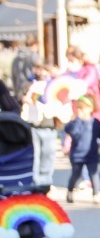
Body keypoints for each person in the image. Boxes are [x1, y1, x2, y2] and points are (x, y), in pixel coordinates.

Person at [21, 59, 59, 187]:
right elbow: (24, 98)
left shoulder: (53, 85)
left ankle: (46, 180)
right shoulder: (30, 84)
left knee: (48, 153)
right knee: (35, 154)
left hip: (49, 124)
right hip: (34, 123)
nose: (40, 72)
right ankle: (35, 180)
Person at [63, 96, 100, 204]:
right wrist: (77, 120)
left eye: (83, 108)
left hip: (92, 154)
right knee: (76, 174)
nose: (80, 110)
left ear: (90, 108)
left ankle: (96, 194)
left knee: (94, 174)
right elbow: (71, 132)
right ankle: (70, 190)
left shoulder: (95, 122)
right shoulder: (75, 122)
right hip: (78, 155)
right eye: (78, 108)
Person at [65, 46, 100, 125]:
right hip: (77, 111)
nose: (70, 63)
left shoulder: (90, 69)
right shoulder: (70, 72)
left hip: (91, 110)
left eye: (71, 60)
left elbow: (84, 84)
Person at [11, 34, 39, 101]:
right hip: (31, 89)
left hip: (18, 89)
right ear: (35, 44)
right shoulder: (34, 57)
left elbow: (13, 75)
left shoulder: (16, 58)